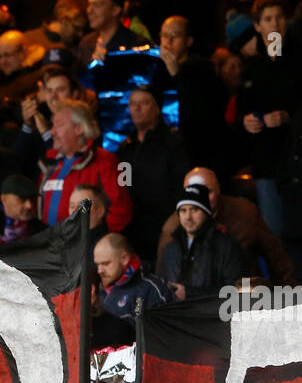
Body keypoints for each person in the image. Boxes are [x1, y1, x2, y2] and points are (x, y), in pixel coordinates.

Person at [116, 86, 191, 259]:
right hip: (133, 228)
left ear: (157, 108)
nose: (136, 108)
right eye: (132, 103)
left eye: (143, 103)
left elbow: (182, 184)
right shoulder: (126, 147)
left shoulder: (173, 142)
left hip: (165, 226)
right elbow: (122, 185)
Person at [37, 99, 132, 233]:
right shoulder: (50, 163)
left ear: (79, 128)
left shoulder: (106, 160)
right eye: (52, 125)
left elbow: (122, 211)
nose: (52, 132)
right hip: (52, 247)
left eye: (59, 125)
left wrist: (94, 243)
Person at [157, 183, 247, 300]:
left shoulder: (226, 246)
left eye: (194, 210)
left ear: (206, 213)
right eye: (183, 211)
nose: (188, 217)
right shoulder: (170, 248)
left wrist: (190, 293)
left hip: (212, 316)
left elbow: (237, 290)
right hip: (175, 316)